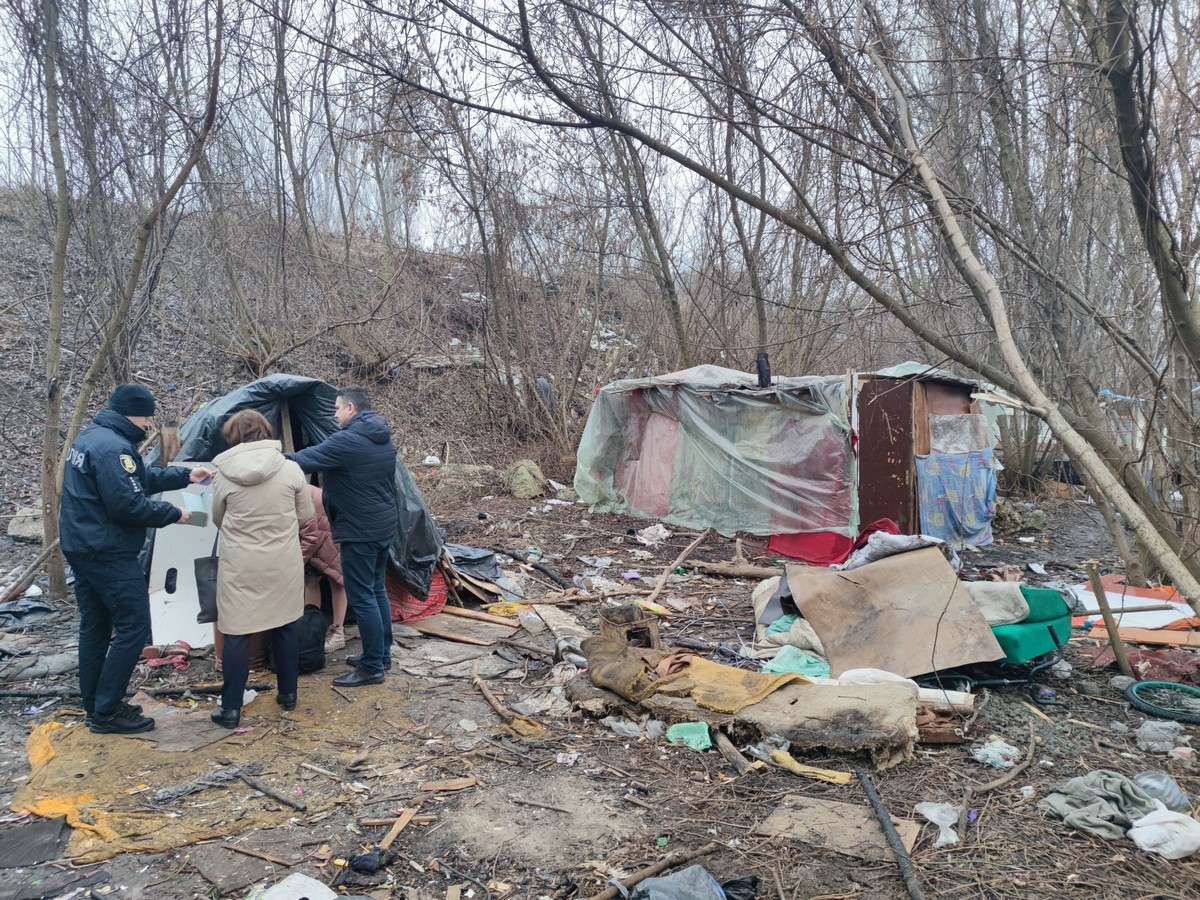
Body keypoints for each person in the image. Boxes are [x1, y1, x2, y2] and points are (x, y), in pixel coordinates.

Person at [60, 383, 213, 735]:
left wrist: (184, 475)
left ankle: (96, 703)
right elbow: (129, 504)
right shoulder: (114, 448)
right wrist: (172, 513)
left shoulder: (91, 439)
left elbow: (136, 480)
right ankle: (109, 709)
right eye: (147, 417)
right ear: (133, 413)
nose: (148, 424)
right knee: (133, 627)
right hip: (108, 551)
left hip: (83, 546)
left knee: (95, 627)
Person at [210, 410, 314, 728]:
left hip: (240, 566)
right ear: (266, 432)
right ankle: (288, 694)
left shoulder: (223, 474)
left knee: (237, 634)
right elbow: (306, 514)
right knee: (284, 626)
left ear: (232, 436)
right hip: (282, 562)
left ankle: (230, 709)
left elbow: (218, 518)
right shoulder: (291, 469)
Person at [288, 387, 398, 687]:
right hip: (382, 525)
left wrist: (264, 459)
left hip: (360, 530)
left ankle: (372, 667)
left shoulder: (348, 440)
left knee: (362, 597)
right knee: (375, 591)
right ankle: (380, 654)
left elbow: (302, 460)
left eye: (337, 409)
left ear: (350, 408)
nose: (334, 414)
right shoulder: (381, 436)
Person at [299, 484, 349, 651]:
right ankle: (313, 629)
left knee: (336, 578)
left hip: (330, 528)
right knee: (310, 579)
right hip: (316, 528)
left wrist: (297, 562)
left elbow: (310, 536)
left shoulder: (294, 490)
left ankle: (338, 631)